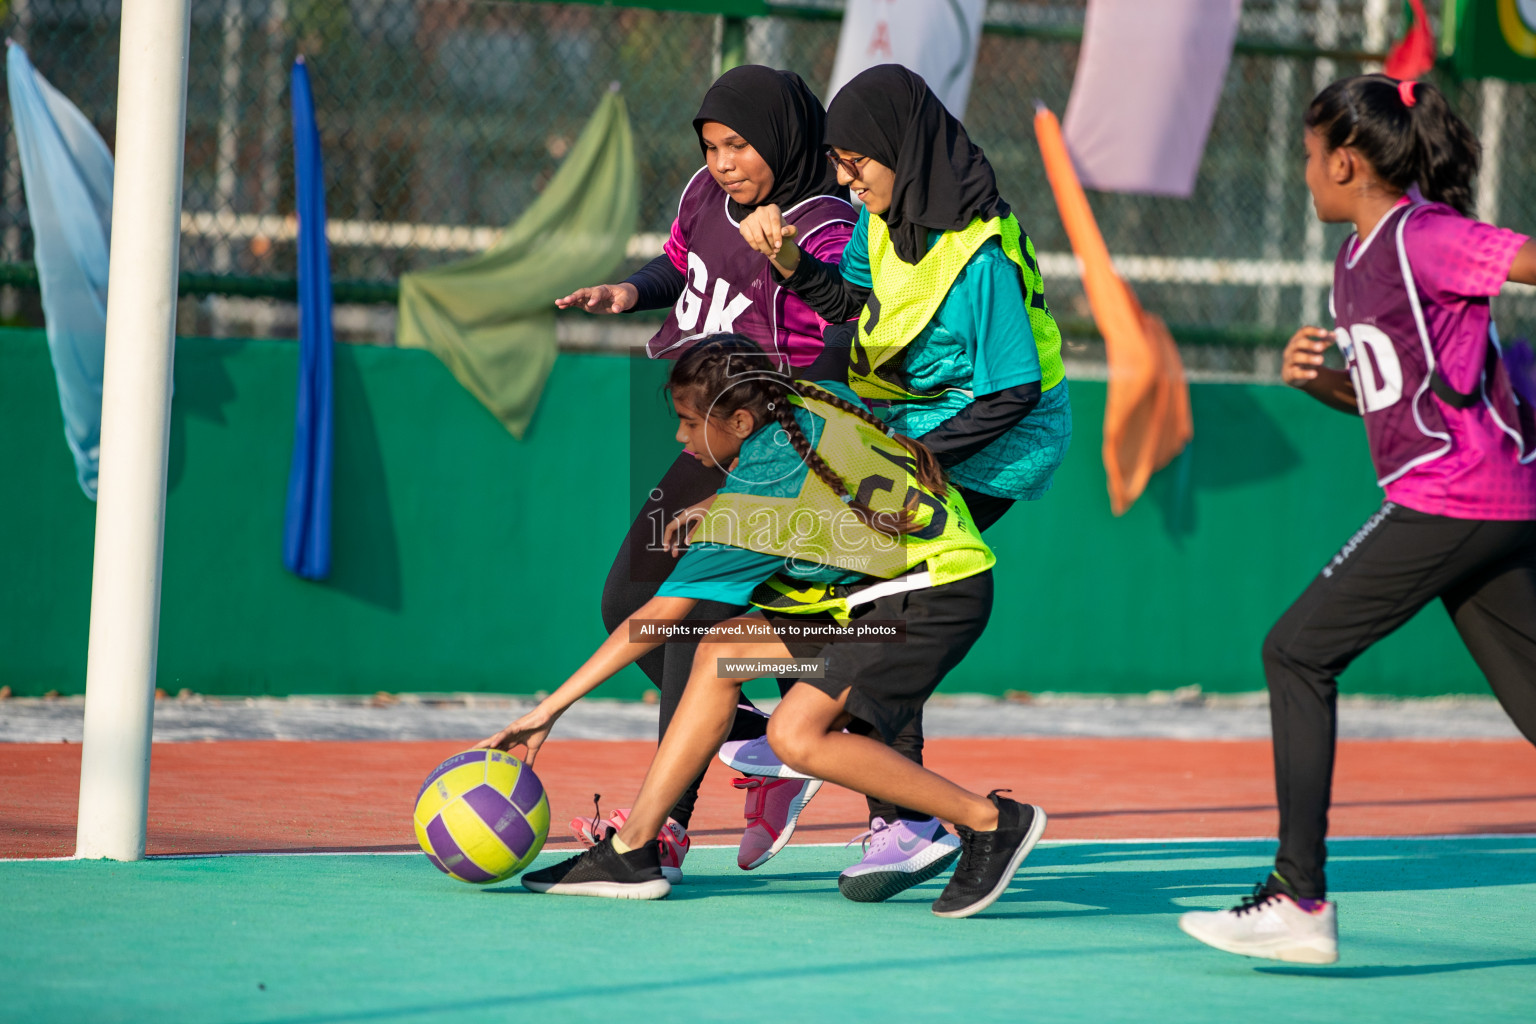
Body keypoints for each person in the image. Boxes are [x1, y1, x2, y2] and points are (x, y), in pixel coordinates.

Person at [475, 335, 1046, 917]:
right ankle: (633, 849)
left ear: (741, 419)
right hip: (898, 596)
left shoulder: (757, 507)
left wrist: (547, 711)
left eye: (688, 421)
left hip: (921, 607)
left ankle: (992, 821)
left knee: (795, 736)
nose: (679, 436)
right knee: (722, 651)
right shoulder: (810, 397)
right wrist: (725, 500)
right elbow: (806, 484)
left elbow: (654, 620)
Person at [1179, 74, 1536, 965]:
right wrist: (1321, 384)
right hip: (1476, 497)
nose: (1303, 174)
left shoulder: (1424, 237)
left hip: (1458, 493)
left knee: (1296, 650)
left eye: (1307, 157)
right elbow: (1394, 404)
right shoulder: (1360, 255)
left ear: (1344, 160)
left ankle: (1299, 898)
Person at [728, 63, 1071, 899]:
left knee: (887, 588)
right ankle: (871, 782)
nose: (845, 178)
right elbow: (855, 303)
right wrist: (788, 262)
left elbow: (1013, 389)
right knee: (843, 582)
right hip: (919, 427)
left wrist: (924, 460)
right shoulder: (881, 223)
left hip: (996, 443)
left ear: (901, 151)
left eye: (856, 162)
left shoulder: (980, 252)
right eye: (839, 162)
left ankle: (881, 792)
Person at [554, 66, 856, 878]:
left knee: (688, 614)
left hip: (773, 434)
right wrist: (631, 288)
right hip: (715, 425)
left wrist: (787, 421)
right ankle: (758, 744)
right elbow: (680, 268)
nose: (723, 162)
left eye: (740, 145)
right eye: (712, 146)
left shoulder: (824, 222)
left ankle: (660, 830)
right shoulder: (701, 194)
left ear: (786, 139)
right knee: (627, 598)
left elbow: (843, 322)